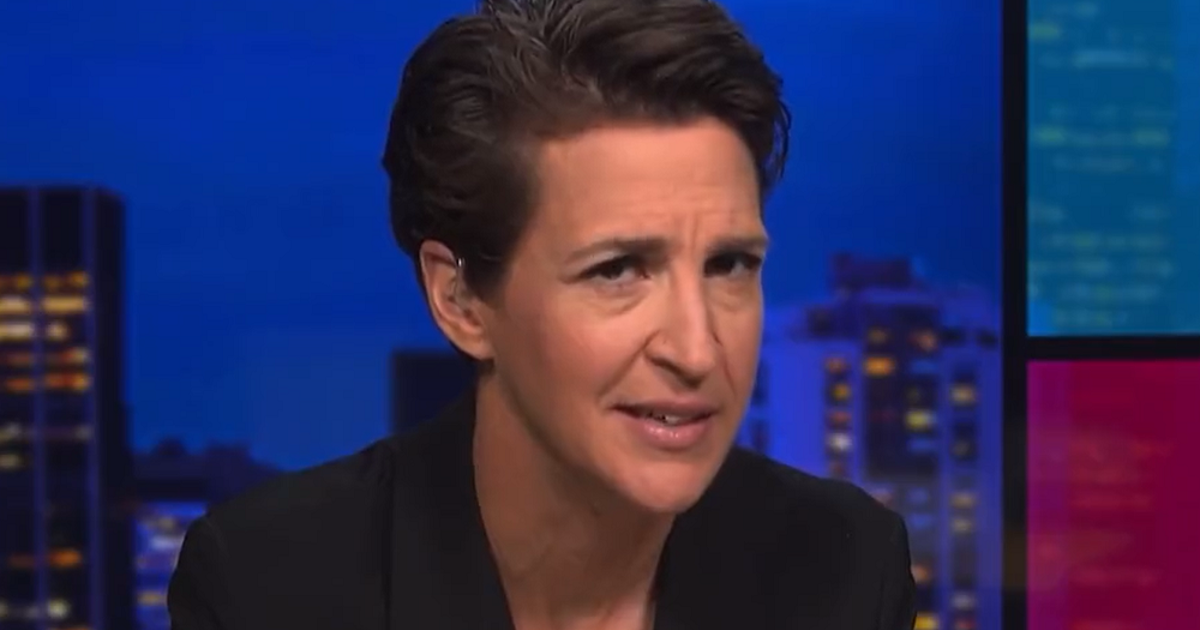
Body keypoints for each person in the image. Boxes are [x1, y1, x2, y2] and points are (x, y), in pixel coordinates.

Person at [167, 0, 917, 628]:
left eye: (730, 265)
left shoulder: (847, 572)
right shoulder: (268, 589)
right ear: (460, 300)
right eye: (617, 270)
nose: (697, 350)